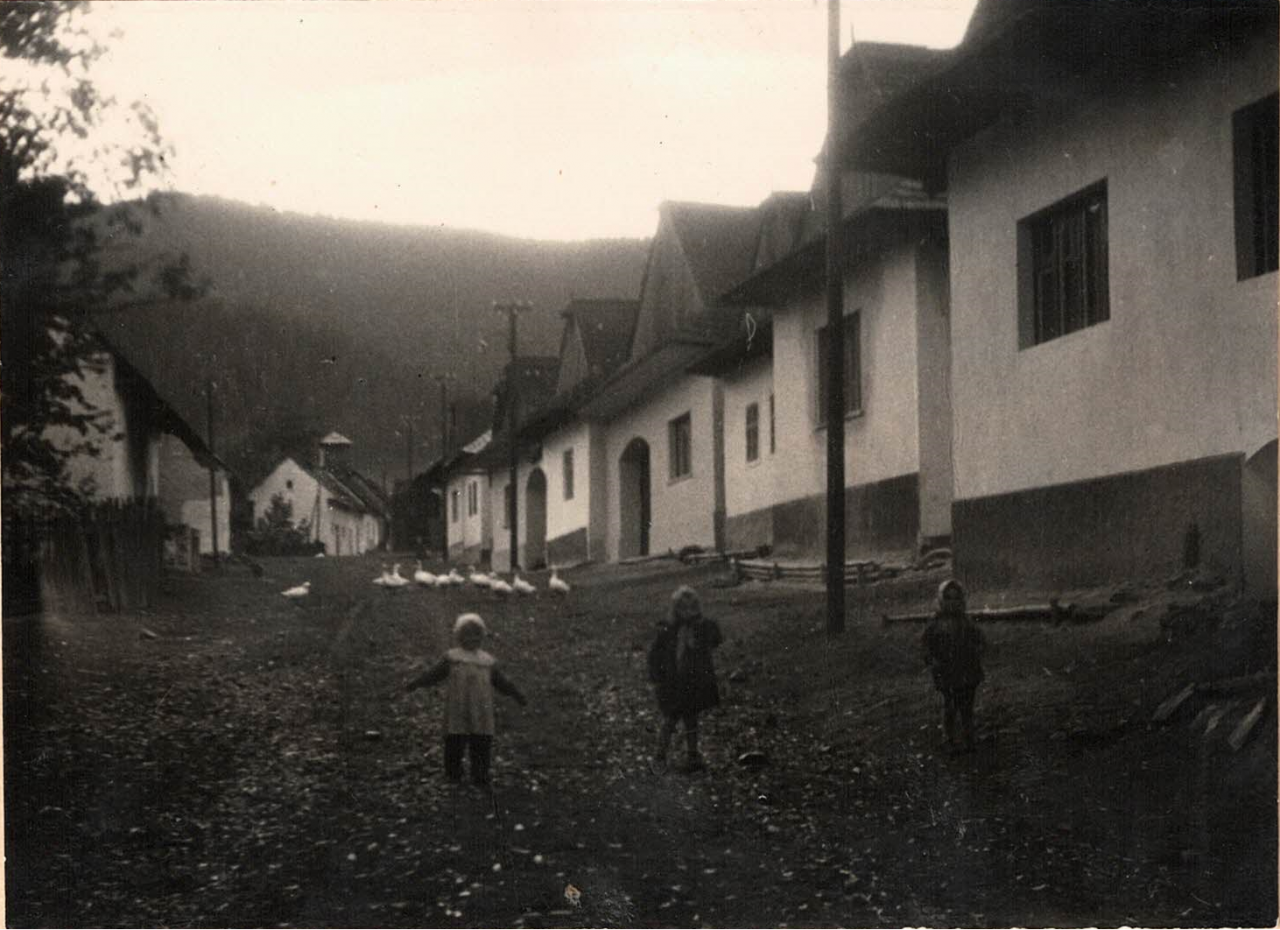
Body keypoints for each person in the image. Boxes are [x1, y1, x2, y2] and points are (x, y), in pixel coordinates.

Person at [403, 613, 527, 786]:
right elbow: (434, 674)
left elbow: (501, 682)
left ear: (482, 637)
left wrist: (516, 694)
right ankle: (453, 772)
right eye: (467, 635)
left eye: (476, 635)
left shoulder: (487, 661)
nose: (472, 639)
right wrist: (417, 683)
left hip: (481, 708)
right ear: (459, 637)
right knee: (455, 739)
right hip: (458, 705)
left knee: (481, 740)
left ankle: (480, 773)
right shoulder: (452, 658)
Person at [648, 585, 722, 773]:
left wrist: (702, 627)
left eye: (692, 607)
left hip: (693, 683)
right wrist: (657, 677)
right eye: (683, 608)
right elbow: (654, 655)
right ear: (676, 609)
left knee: (691, 720)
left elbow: (716, 639)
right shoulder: (668, 630)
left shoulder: (702, 627)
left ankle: (692, 755)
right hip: (673, 683)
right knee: (670, 720)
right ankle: (659, 755)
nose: (688, 612)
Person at [921, 579, 985, 752]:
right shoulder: (935, 623)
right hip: (946, 670)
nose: (952, 602)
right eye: (948, 598)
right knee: (950, 705)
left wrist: (977, 650)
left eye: (956, 598)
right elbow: (926, 645)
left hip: (967, 669)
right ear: (941, 600)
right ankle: (948, 738)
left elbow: (979, 639)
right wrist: (932, 660)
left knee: (967, 705)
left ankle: (968, 736)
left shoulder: (966, 621)